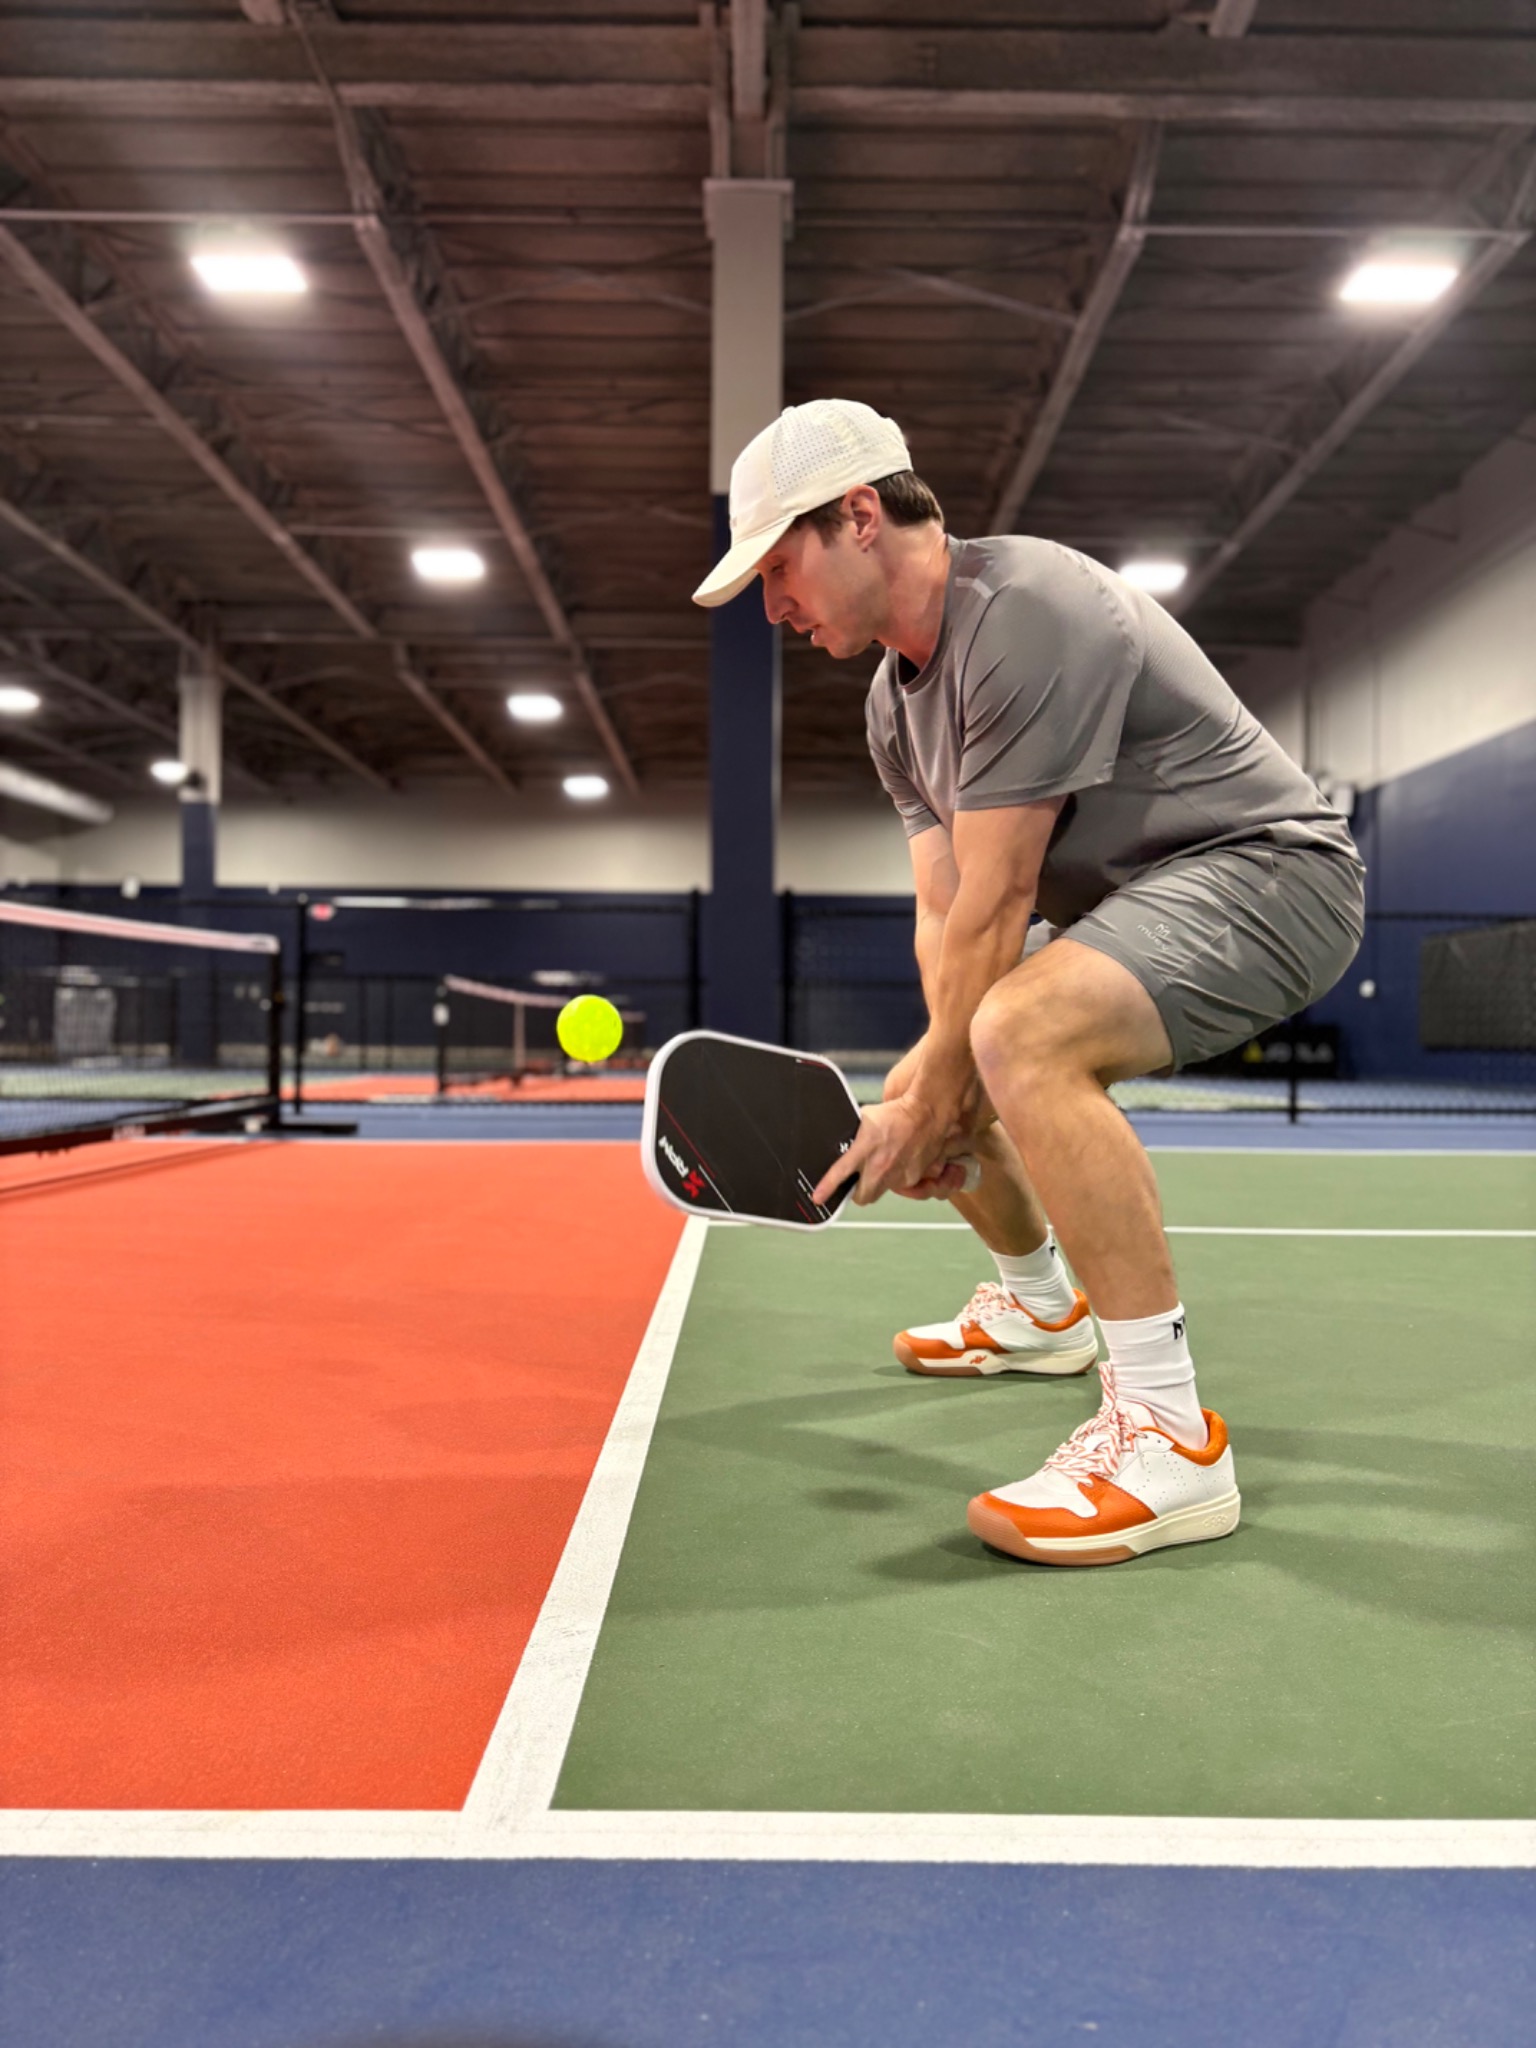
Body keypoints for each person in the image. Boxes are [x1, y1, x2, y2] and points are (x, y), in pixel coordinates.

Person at [693, 398, 1364, 1566]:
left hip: (1272, 874)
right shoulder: (891, 705)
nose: (772, 603)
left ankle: (1170, 1439)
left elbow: (1002, 903)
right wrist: (928, 1084)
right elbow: (945, 910)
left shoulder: (1027, 612)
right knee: (946, 1050)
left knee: (1008, 1034)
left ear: (859, 518)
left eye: (780, 563)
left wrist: (951, 1082)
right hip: (1137, 905)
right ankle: (1041, 1304)